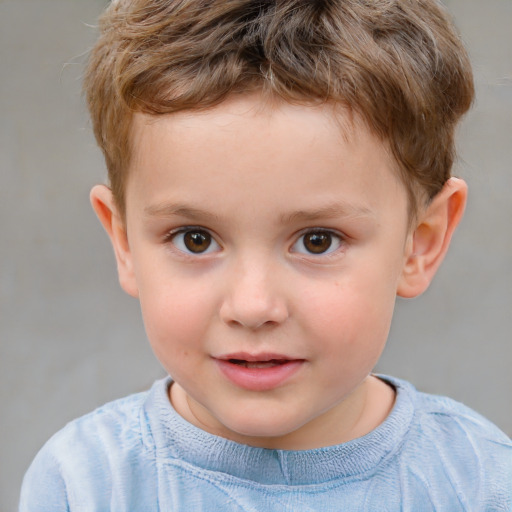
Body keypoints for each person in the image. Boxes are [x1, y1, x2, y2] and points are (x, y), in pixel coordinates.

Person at [19, 0, 511, 510]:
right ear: (124, 243)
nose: (253, 307)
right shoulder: (85, 486)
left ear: (422, 241)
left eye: (317, 240)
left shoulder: (482, 484)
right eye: (195, 239)